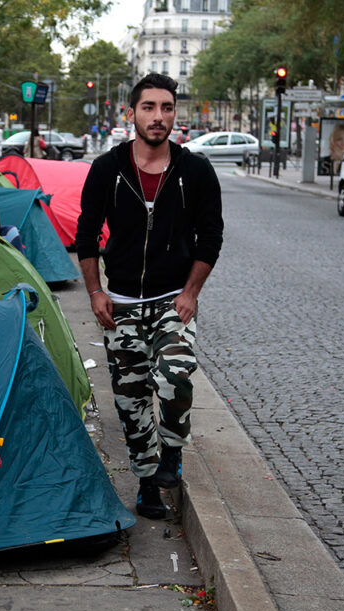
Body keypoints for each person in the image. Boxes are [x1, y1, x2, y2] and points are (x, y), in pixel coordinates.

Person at [75, 73, 224, 520]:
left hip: (171, 298)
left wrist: (192, 292)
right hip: (119, 302)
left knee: (175, 375)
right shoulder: (107, 169)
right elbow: (85, 235)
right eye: (149, 107)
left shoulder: (195, 170)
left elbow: (210, 237)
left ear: (175, 112)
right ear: (132, 113)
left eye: (166, 108)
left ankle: (172, 454)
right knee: (131, 396)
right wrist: (96, 292)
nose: (158, 117)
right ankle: (147, 483)